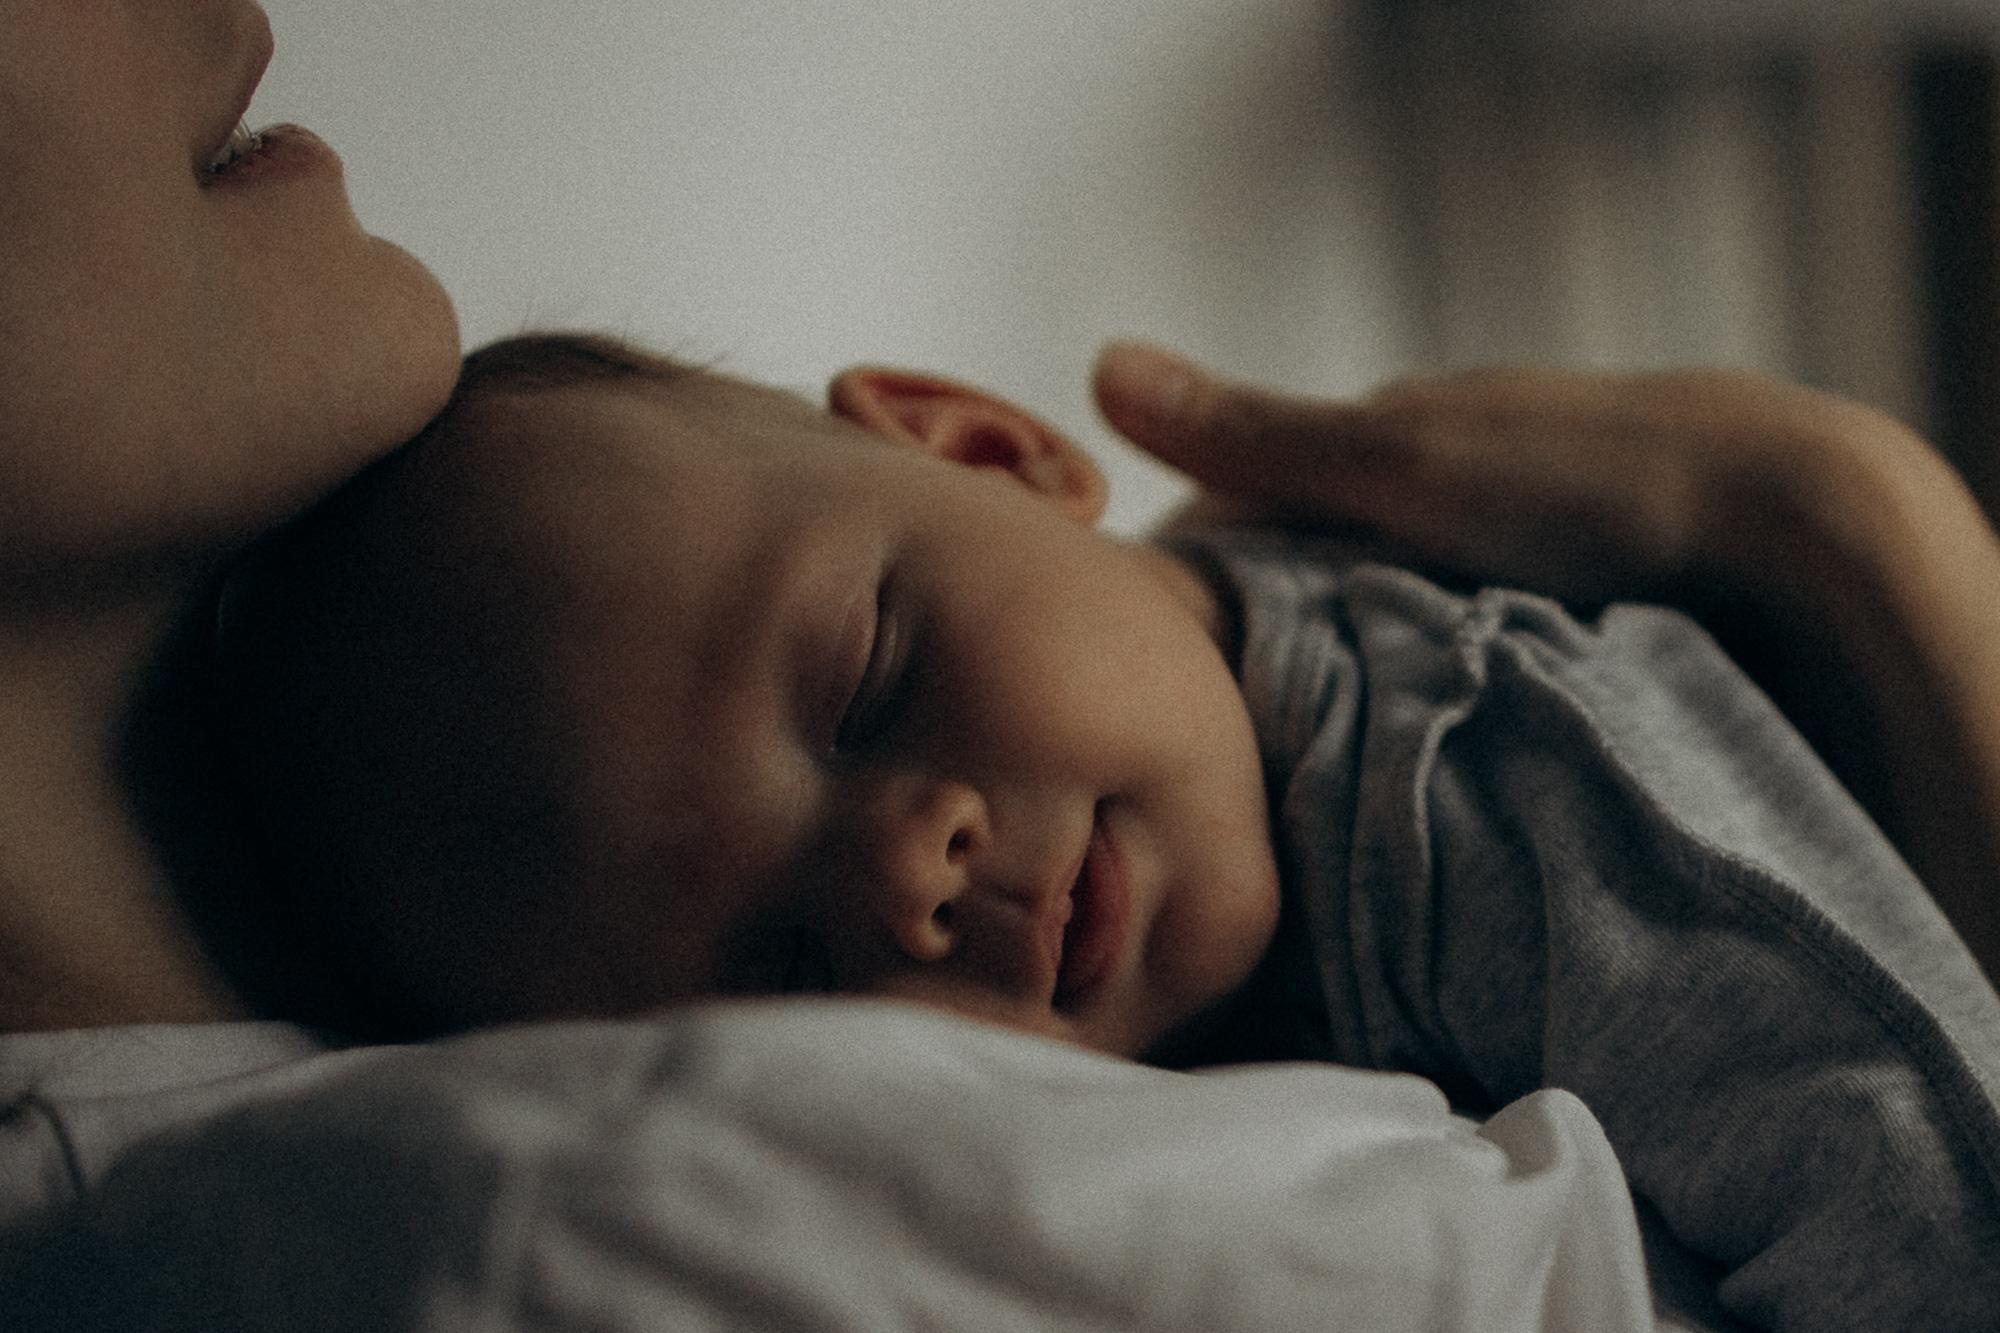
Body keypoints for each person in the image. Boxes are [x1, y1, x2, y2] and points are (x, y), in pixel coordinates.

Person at [220, 329, 2000, 1328]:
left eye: (864, 689)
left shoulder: (1492, 790)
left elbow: (1930, 1177)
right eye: (784, 967)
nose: (910, 872)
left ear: (995, 452)